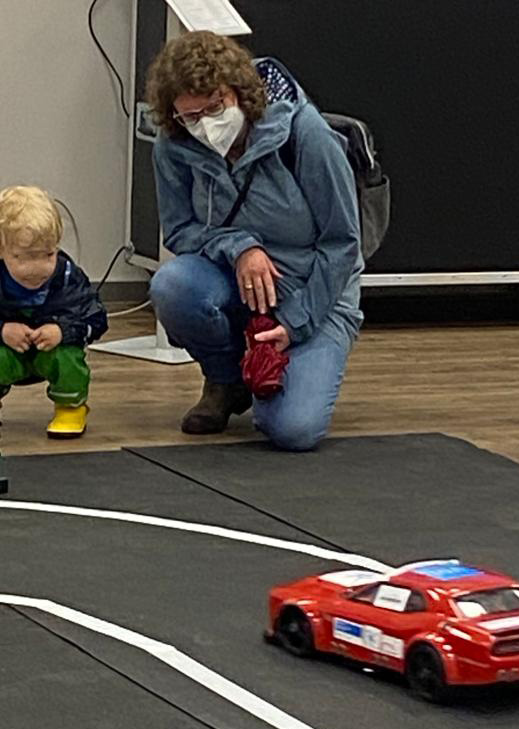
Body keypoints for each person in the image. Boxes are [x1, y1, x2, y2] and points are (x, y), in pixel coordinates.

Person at [146, 31, 363, 451]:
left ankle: (273, 374)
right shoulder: (173, 144)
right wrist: (240, 247)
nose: (206, 126)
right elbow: (179, 229)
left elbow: (342, 244)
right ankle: (225, 380)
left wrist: (295, 322)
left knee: (295, 431)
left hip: (311, 288)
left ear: (240, 93)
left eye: (215, 107)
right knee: (173, 286)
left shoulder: (305, 133)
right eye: (191, 116)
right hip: (232, 278)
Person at [0, 185, 108, 438]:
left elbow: (97, 319)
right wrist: (1, 332)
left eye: (48, 255)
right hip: (6, 352)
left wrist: (63, 331)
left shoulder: (69, 277)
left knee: (68, 354)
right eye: (23, 258)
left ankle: (70, 408)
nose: (37, 268)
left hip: (50, 352)